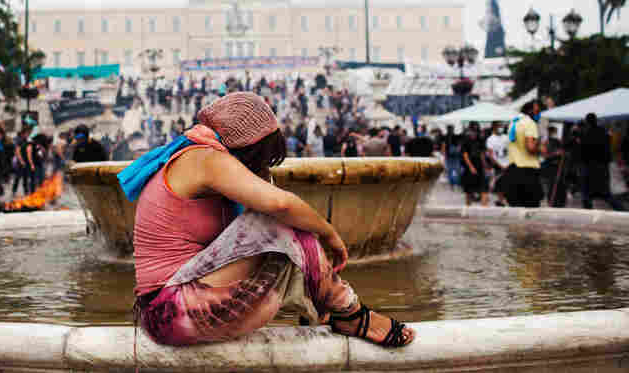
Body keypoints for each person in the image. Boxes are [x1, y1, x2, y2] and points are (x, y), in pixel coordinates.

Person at [126, 92, 414, 348]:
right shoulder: (204, 157)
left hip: (178, 310)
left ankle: (327, 308)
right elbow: (281, 204)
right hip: (170, 313)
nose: (262, 167)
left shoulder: (198, 154)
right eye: (262, 158)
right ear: (249, 148)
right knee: (280, 219)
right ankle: (350, 313)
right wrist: (329, 234)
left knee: (284, 222)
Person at [579, 113, 625, 211]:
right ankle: (622, 210)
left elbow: (583, 152)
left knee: (587, 194)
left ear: (587, 122)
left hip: (590, 167)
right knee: (605, 194)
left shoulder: (586, 134)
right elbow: (608, 150)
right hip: (602, 168)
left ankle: (587, 212)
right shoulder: (604, 133)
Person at [502, 101, 543, 207]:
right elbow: (530, 147)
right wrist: (540, 148)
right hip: (527, 171)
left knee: (515, 208)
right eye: (537, 111)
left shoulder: (514, 123)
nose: (539, 114)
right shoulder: (530, 123)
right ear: (530, 111)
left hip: (513, 169)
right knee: (531, 210)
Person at [460, 123, 488, 206]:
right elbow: (465, 155)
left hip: (479, 166)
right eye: (473, 131)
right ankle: (468, 207)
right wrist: (471, 167)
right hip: (469, 168)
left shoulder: (480, 140)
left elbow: (482, 154)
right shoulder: (465, 140)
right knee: (469, 190)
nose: (474, 133)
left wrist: (485, 165)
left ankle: (484, 208)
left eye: (476, 131)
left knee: (484, 188)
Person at [540, 125, 567, 207]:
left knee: (558, 185)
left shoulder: (557, 141)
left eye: (554, 132)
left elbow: (562, 152)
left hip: (557, 167)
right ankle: (551, 201)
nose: (553, 133)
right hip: (549, 168)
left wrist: (561, 154)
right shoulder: (545, 142)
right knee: (550, 185)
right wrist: (555, 154)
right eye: (553, 132)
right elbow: (544, 155)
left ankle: (558, 201)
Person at [485, 122, 509, 207]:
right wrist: (499, 165)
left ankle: (506, 199)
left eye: (501, 126)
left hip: (508, 164)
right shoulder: (490, 139)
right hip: (498, 165)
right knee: (499, 183)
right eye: (499, 126)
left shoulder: (506, 137)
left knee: (508, 182)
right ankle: (500, 200)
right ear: (494, 127)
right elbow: (490, 154)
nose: (501, 128)